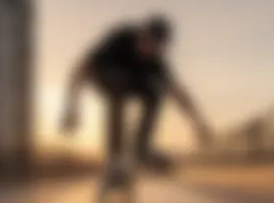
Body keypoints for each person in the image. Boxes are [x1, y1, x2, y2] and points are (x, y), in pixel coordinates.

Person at [60, 15, 212, 186]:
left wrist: (199, 124)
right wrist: (71, 108)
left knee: (158, 88)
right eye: (147, 43)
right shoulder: (119, 39)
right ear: (141, 34)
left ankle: (141, 148)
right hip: (104, 76)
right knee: (117, 89)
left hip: (133, 83)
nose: (149, 51)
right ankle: (115, 157)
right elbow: (80, 69)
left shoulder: (156, 63)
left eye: (156, 48)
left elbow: (180, 94)